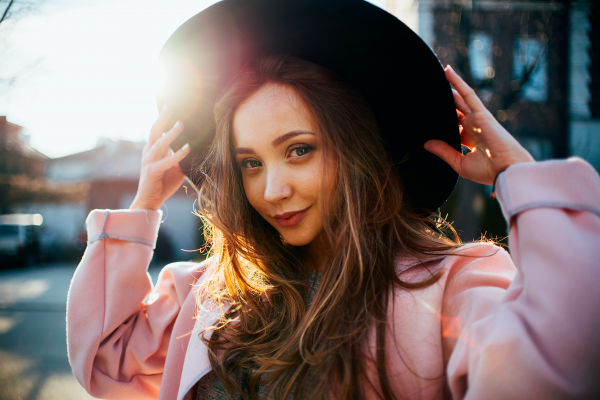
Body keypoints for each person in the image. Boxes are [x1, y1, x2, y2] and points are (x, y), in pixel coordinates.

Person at [66, 1, 600, 399]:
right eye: (250, 163)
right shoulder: (209, 293)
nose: (271, 190)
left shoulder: (454, 286)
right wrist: (143, 204)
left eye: (299, 150)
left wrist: (521, 177)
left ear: (357, 152)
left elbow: (562, 364)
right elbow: (105, 360)